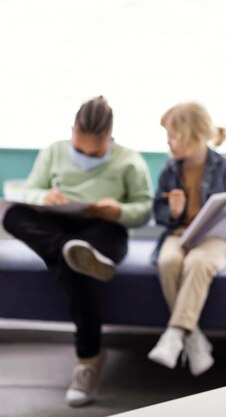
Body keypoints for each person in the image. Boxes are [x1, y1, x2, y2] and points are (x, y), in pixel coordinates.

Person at [2, 96, 152, 407]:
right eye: (80, 148)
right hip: (57, 226)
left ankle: (89, 359)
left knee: (80, 265)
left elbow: (143, 210)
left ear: (110, 136)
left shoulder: (129, 161)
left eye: (94, 152)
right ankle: (67, 251)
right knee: (12, 214)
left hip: (103, 231)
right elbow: (26, 190)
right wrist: (46, 196)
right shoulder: (53, 151)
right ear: (72, 131)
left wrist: (118, 210)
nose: (85, 154)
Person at [149, 102, 226, 376]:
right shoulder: (170, 169)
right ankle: (193, 338)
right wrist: (172, 211)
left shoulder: (225, 167)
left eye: (173, 136)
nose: (169, 143)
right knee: (169, 261)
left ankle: (175, 335)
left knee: (198, 263)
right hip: (179, 233)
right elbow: (158, 211)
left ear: (194, 135)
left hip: (215, 238)